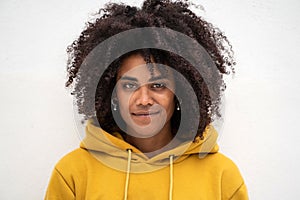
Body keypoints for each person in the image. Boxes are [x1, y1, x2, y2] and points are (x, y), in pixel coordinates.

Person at [45, 0, 248, 199]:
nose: (143, 99)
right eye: (129, 85)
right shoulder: (72, 173)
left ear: (182, 92)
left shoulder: (222, 176)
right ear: (112, 93)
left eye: (158, 85)